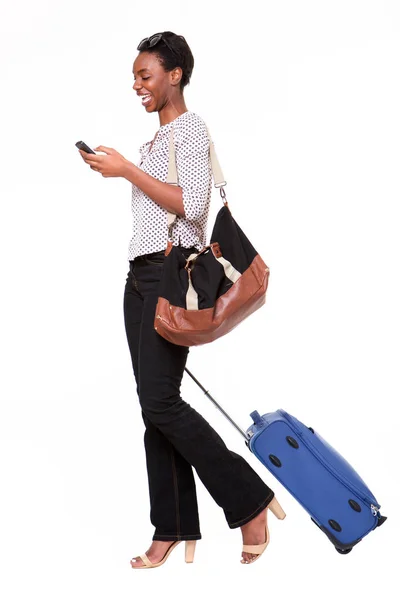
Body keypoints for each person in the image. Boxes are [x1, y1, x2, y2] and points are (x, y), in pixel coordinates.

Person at [78, 30, 286, 569]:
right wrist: (128, 165)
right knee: (154, 408)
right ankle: (170, 526)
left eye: (145, 75)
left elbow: (193, 209)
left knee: (161, 403)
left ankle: (248, 500)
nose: (137, 85)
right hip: (139, 279)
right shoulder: (153, 143)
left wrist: (126, 170)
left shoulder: (190, 130)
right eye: (134, 77)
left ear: (175, 75)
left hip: (170, 280)